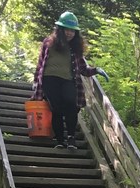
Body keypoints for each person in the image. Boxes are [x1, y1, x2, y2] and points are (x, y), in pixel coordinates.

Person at [31, 11, 109, 149]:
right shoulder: (48, 43)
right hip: (49, 80)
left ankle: (71, 138)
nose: (69, 33)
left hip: (68, 80)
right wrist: (36, 81)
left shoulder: (75, 48)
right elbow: (40, 63)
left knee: (71, 105)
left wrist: (96, 70)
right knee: (56, 108)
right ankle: (60, 140)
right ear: (60, 30)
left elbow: (83, 69)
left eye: (72, 31)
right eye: (67, 30)